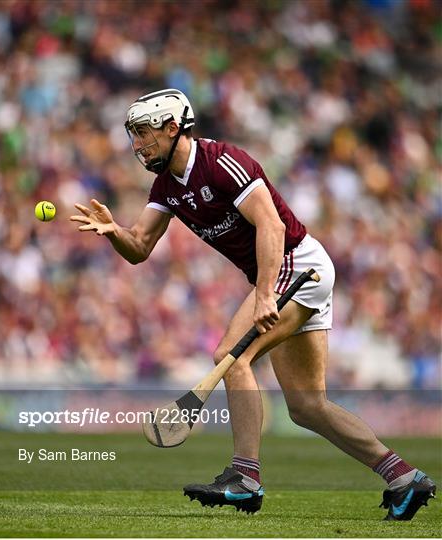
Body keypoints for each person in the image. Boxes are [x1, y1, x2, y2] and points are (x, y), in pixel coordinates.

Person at [70, 88, 436, 519]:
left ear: (173, 128)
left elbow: (272, 225)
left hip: (296, 264)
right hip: (286, 273)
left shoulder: (222, 162)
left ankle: (245, 478)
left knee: (231, 355)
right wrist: (114, 231)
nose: (137, 145)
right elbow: (140, 246)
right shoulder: (166, 186)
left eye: (144, 134)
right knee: (306, 406)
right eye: (133, 136)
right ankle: (404, 479)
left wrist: (264, 294)